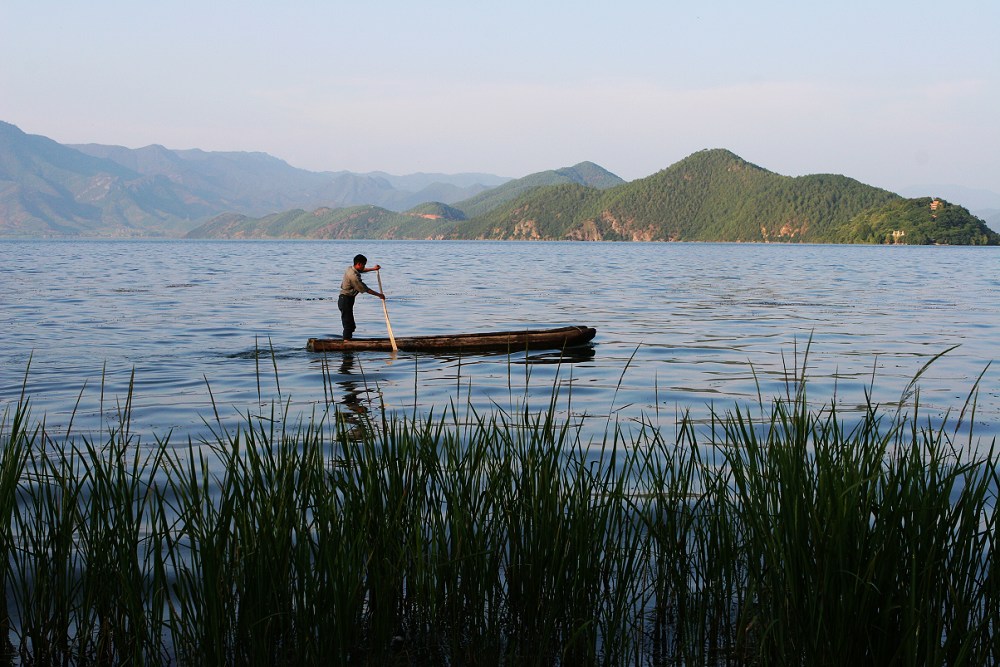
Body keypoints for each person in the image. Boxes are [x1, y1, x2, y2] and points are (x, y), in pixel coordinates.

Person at [338, 254, 385, 340]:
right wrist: (379, 295)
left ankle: (348, 341)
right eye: (364, 264)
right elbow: (365, 289)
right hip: (345, 300)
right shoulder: (353, 277)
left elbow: (361, 270)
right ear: (359, 264)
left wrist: (373, 269)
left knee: (351, 325)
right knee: (348, 325)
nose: (364, 266)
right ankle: (346, 344)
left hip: (347, 300)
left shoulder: (351, 268)